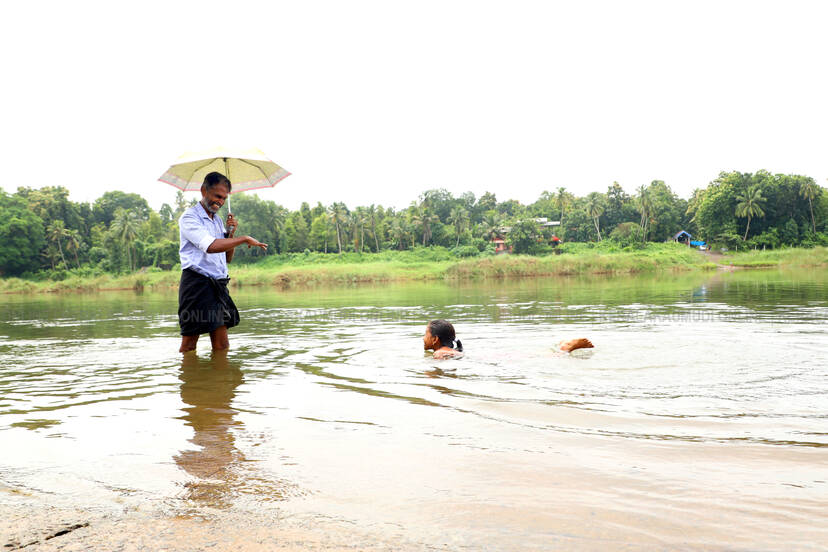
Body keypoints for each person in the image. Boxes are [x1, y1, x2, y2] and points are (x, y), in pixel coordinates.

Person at [177, 172, 268, 353]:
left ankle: (219, 380)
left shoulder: (218, 221)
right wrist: (243, 239)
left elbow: (227, 258)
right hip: (196, 285)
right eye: (217, 196)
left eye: (224, 198)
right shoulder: (189, 218)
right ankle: (189, 380)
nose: (220, 202)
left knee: (222, 345)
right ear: (204, 190)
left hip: (217, 285)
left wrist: (231, 233)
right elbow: (210, 246)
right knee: (189, 344)